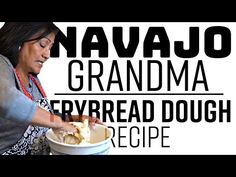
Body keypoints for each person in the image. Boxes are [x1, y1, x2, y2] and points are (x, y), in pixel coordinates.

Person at [0, 22, 103, 155]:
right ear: (18, 40)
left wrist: (77, 120)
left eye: (50, 47)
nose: (47, 55)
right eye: (42, 44)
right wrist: (58, 123)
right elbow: (8, 100)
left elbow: (42, 119)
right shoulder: (2, 64)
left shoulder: (33, 79)